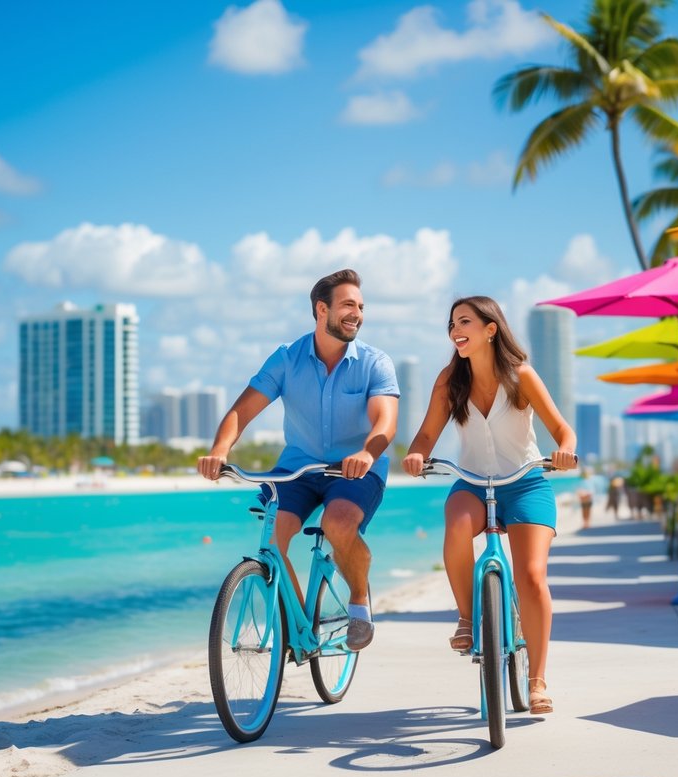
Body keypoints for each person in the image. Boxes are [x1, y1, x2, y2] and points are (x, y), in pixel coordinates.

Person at [197, 269, 399, 651]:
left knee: (338, 525)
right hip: (297, 469)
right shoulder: (287, 358)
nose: (357, 313)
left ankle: (358, 603)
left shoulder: (375, 362)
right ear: (321, 310)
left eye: (360, 306)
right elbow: (242, 410)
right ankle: (301, 627)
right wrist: (220, 450)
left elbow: (385, 422)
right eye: (347, 305)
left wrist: (366, 453)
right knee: (272, 542)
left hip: (354, 470)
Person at [401, 296, 578, 715]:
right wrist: (414, 455)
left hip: (526, 482)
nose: (455, 330)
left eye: (464, 321)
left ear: (490, 329)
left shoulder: (521, 376)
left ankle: (536, 680)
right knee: (458, 524)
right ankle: (467, 618)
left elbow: (561, 430)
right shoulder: (450, 380)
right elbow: (426, 436)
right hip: (473, 482)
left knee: (532, 577)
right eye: (451, 324)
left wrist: (567, 451)